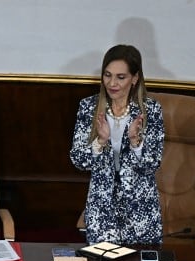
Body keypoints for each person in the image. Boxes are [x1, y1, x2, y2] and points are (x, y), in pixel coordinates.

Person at [70, 44, 163, 246]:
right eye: (107, 75)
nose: (112, 83)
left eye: (121, 77)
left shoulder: (150, 110)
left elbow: (152, 165)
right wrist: (100, 141)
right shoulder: (89, 107)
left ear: (135, 78)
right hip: (102, 210)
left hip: (140, 211)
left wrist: (135, 142)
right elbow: (78, 160)